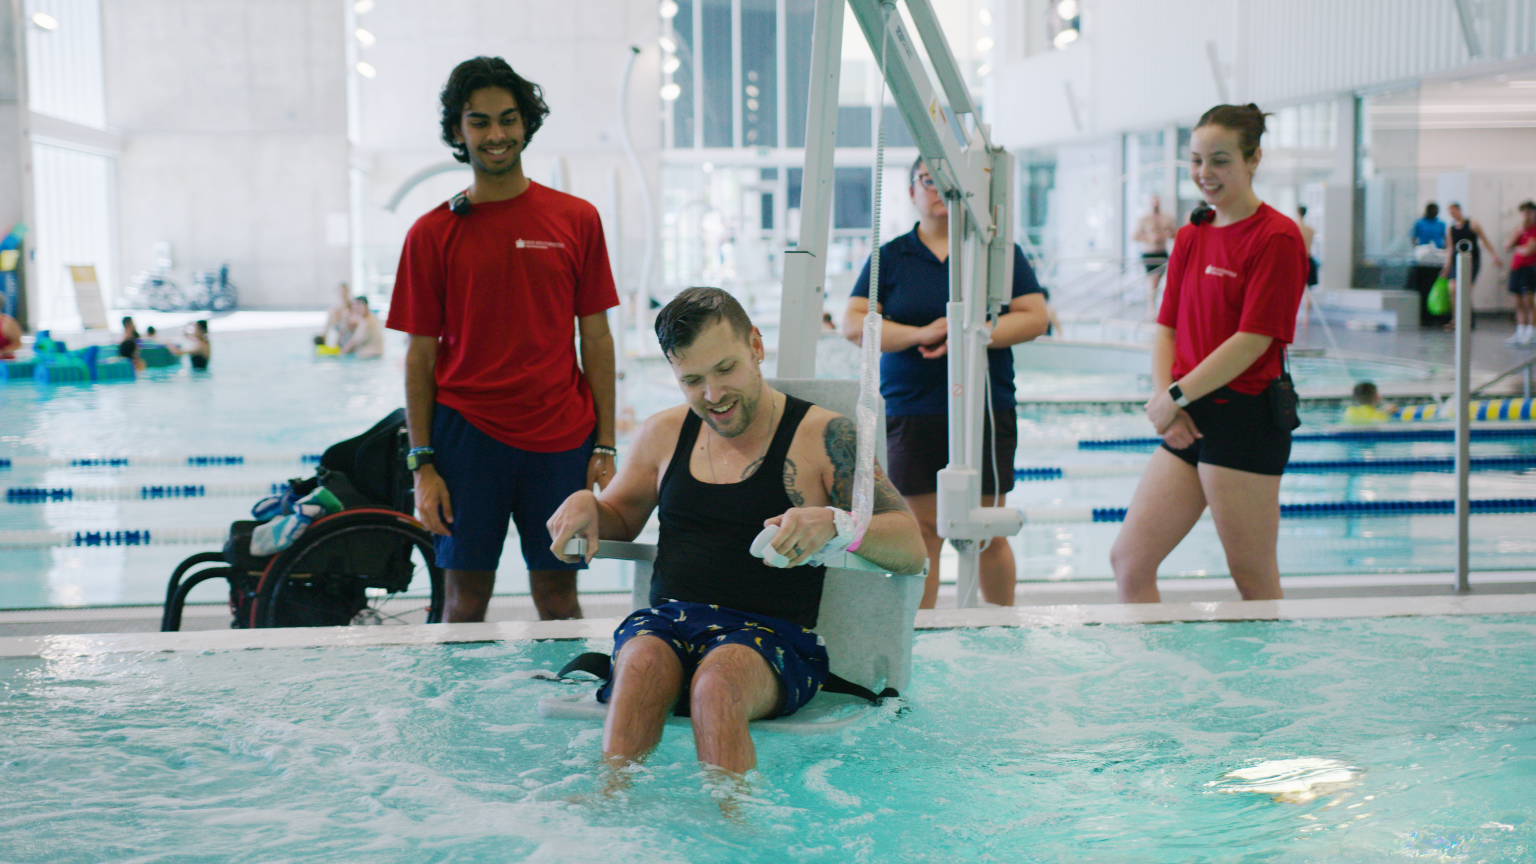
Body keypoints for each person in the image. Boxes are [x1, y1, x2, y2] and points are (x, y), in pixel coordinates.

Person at [545, 288, 925, 779]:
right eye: (693, 381)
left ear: (756, 346)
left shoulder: (825, 436)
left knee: (717, 685)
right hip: (668, 624)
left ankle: (735, 825)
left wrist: (838, 522)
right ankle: (610, 811)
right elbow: (619, 516)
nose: (713, 395)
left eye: (726, 370)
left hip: (772, 636)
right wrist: (586, 504)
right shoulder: (662, 433)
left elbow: (910, 547)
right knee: (637, 665)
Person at [387, 56, 619, 622]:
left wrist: (605, 444)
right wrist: (424, 466)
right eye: (480, 121)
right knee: (463, 602)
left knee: (560, 599)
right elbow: (419, 356)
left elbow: (597, 336)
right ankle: (454, 714)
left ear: (527, 124)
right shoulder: (431, 233)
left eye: (508, 119)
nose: (496, 135)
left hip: (560, 438)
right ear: (458, 131)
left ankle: (575, 705)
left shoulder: (576, 219)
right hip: (467, 441)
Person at [1109, 103, 1308, 604]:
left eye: (1219, 160)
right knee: (1130, 562)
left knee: (1252, 578)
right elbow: (1166, 329)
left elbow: (1254, 339)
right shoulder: (1190, 235)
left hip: (1244, 418)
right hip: (1187, 413)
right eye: (1196, 160)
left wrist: (1175, 395)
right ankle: (1156, 681)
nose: (1205, 174)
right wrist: (1167, 401)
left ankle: (1272, 683)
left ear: (1253, 158)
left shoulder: (1277, 237)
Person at [842, 157, 1050, 609]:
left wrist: (967, 338)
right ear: (911, 191)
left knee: (986, 530)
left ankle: (1000, 633)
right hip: (912, 408)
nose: (937, 190)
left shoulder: (995, 252)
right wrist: (921, 334)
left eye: (947, 183)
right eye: (926, 181)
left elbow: (1036, 317)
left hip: (985, 406)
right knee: (923, 531)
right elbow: (855, 322)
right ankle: (922, 640)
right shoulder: (892, 256)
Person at [1437, 202, 1503, 332]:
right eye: (1450, 212)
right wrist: (1446, 267)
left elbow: (1484, 240)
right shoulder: (1450, 229)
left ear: (1459, 210)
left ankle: (1467, 320)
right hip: (1457, 262)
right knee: (1452, 288)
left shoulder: (1472, 224)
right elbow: (1450, 249)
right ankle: (1455, 319)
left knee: (1465, 291)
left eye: (1454, 211)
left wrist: (1495, 256)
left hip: (1472, 261)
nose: (1452, 214)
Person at [1133, 194, 1178, 317]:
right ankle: (1151, 307)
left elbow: (1175, 234)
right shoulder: (1144, 219)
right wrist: (1149, 237)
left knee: (1158, 281)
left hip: (1161, 252)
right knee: (1153, 280)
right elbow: (1135, 236)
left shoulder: (1166, 218)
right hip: (1149, 253)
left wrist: (1165, 235)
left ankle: (1154, 306)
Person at [1503, 201, 1536, 347]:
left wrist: (1518, 248)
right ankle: (1520, 330)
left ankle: (1531, 331)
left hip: (1529, 268)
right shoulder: (1519, 229)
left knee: (1528, 301)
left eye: (1529, 212)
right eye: (1523, 212)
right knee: (1517, 301)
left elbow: (1529, 250)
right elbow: (1506, 246)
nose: (1526, 215)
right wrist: (1516, 237)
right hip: (1516, 267)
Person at [320, 282, 353, 347]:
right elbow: (326, 330)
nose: (343, 295)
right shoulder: (333, 311)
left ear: (348, 293)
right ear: (337, 294)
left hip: (350, 340)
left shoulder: (353, 309)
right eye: (341, 292)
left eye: (344, 292)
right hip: (339, 342)